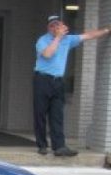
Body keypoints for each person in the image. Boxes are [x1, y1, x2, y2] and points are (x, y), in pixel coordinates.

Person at [34, 15, 111, 156]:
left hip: (58, 81)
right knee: (40, 113)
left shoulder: (68, 39)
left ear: (62, 26)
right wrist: (58, 38)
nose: (55, 27)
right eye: (52, 25)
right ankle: (42, 145)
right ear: (48, 28)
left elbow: (88, 36)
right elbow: (47, 54)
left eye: (57, 24)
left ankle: (59, 146)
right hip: (42, 79)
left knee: (57, 114)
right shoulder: (42, 40)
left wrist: (107, 30)